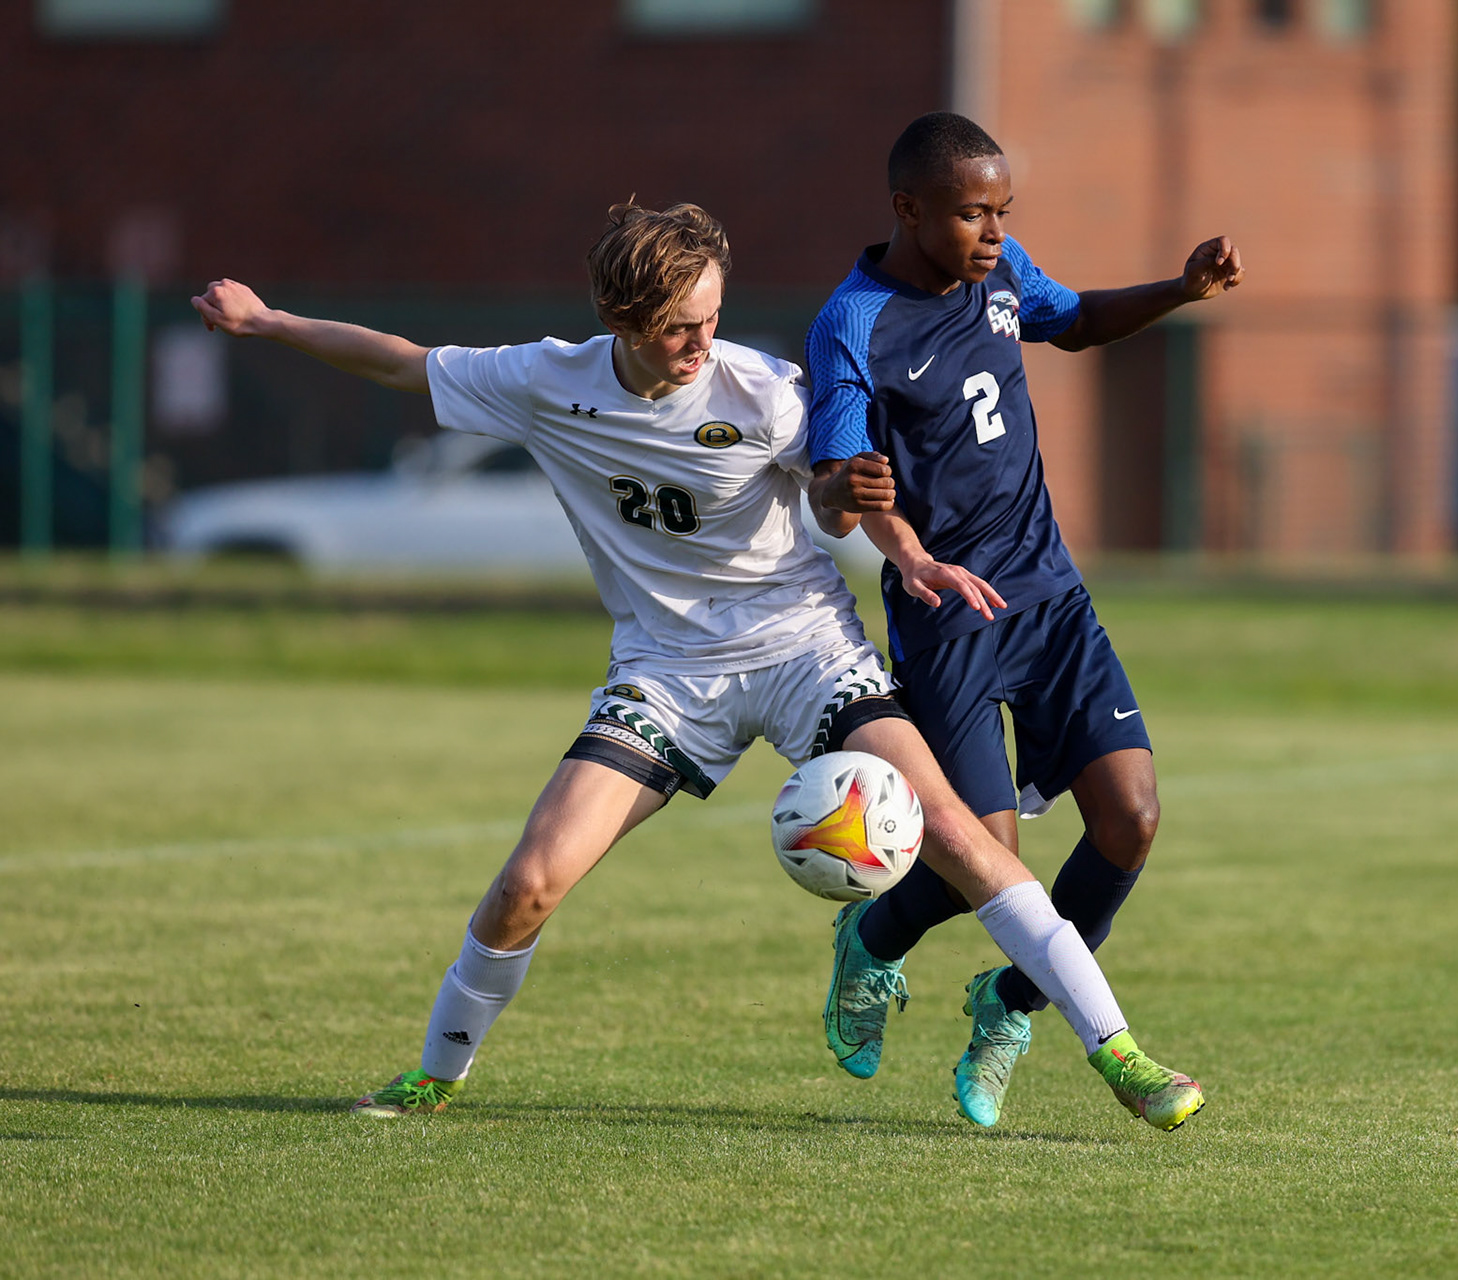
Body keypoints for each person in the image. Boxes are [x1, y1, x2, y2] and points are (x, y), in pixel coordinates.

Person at [189, 201, 1205, 1130]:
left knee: (957, 832)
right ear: (619, 317)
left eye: (709, 319)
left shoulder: (761, 390)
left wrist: (900, 544)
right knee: (528, 883)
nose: (699, 344)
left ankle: (1118, 1052)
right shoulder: (546, 380)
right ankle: (433, 1076)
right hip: (668, 674)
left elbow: (835, 494)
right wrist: (270, 324)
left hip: (808, 648)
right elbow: (404, 361)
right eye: (678, 327)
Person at [807, 113, 1243, 1127]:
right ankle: (873, 939)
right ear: (909, 209)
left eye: (1003, 211)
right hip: (947, 618)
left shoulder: (1001, 275)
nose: (994, 232)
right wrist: (891, 533)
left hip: (1049, 594)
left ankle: (1011, 1002)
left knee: (1131, 818)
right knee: (980, 861)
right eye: (971, 213)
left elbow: (1078, 321)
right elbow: (838, 474)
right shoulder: (853, 320)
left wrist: (1181, 290)